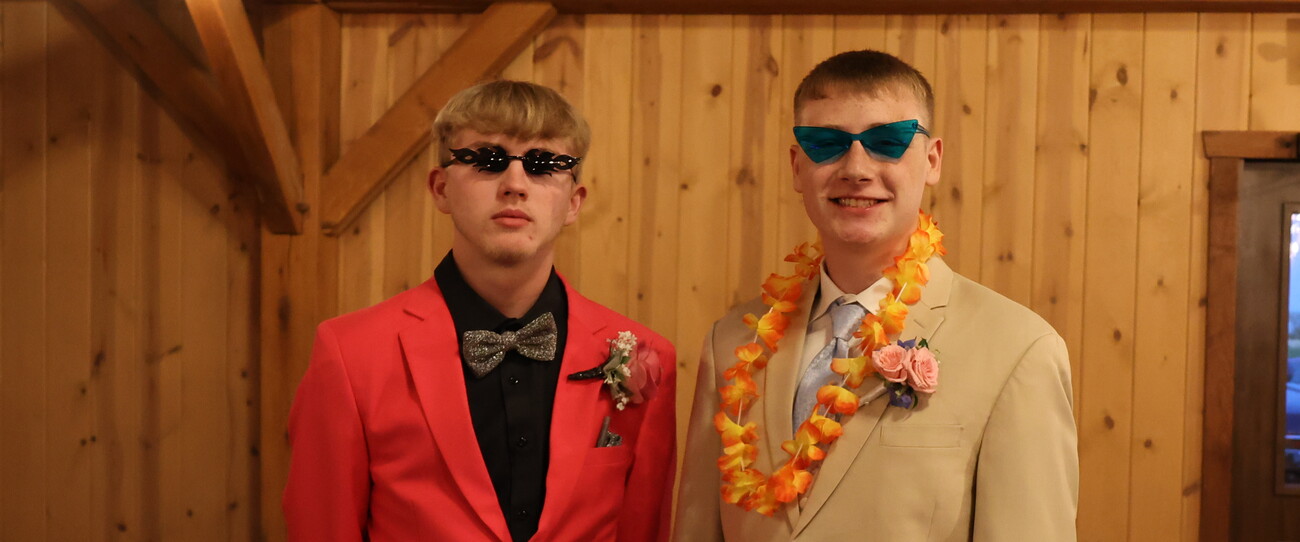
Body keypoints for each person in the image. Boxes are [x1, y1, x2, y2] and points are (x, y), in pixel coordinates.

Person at [673, 50, 1078, 540]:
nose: (857, 168)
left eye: (887, 142)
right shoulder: (730, 342)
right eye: (827, 144)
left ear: (932, 160)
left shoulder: (1018, 350)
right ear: (797, 166)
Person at [284, 80, 676, 542]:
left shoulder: (645, 356)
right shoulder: (350, 355)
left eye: (543, 164)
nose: (514, 185)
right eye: (488, 160)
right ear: (441, 188)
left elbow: (644, 527)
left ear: (574, 202)